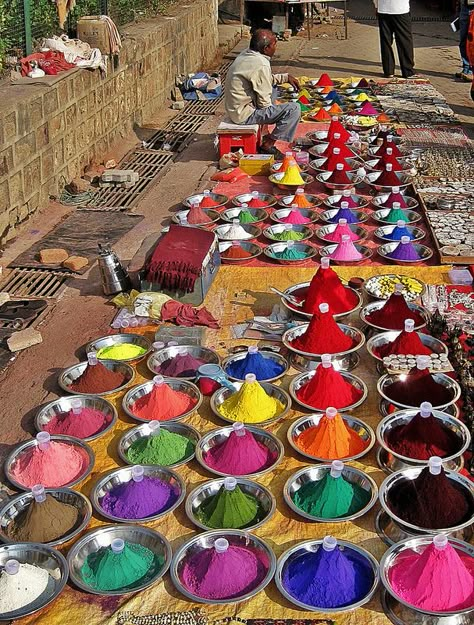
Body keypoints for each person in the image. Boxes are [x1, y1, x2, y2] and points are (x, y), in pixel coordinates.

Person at [224, 29, 301, 157]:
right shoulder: (261, 64)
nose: (276, 47)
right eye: (274, 44)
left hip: (236, 108)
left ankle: (264, 131)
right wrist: (278, 115)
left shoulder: (247, 54)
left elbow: (264, 80)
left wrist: (285, 77)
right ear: (266, 48)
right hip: (243, 114)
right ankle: (268, 144)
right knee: (294, 110)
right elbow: (264, 104)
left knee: (274, 88)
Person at [374, 0, 417, 79]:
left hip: (383, 8)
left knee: (386, 41)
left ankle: (388, 71)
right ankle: (408, 71)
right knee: (404, 41)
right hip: (400, 8)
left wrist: (377, 6)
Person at [455, 0, 474, 82]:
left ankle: (471, 70)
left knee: (472, 42)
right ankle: (466, 67)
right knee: (463, 41)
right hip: (464, 7)